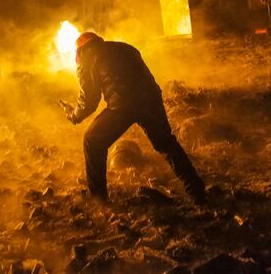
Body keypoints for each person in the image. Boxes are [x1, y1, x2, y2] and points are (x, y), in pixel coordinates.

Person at [60, 32, 205, 204]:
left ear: (80, 50)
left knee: (92, 141)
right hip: (151, 98)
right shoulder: (125, 47)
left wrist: (73, 115)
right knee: (166, 143)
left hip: (122, 106)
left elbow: (89, 101)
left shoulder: (87, 59)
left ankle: (98, 199)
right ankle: (196, 190)